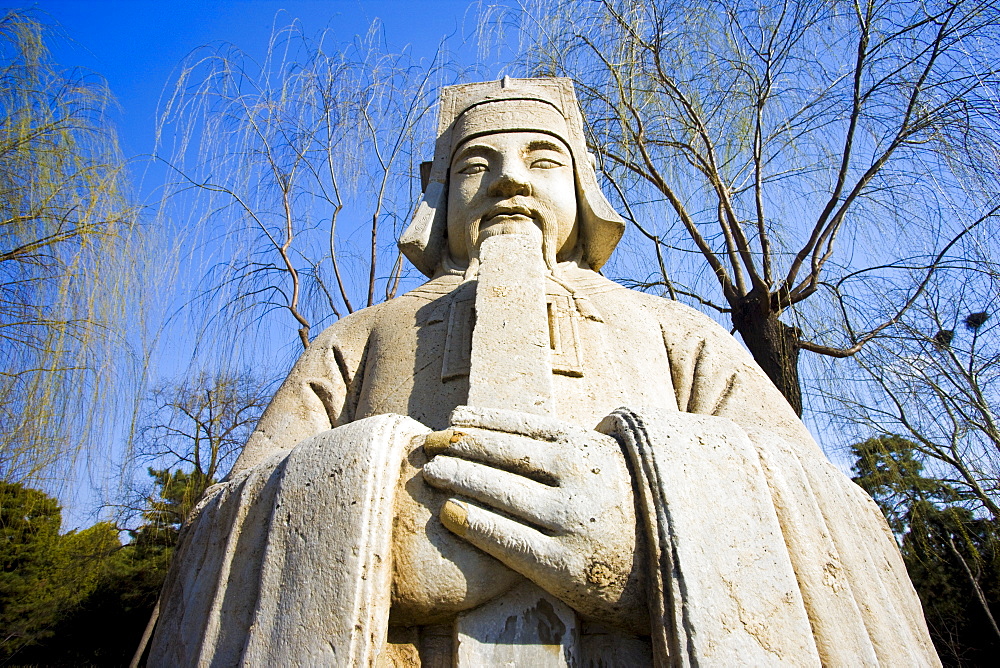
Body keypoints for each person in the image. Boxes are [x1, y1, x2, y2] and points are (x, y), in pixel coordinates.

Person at [148, 78, 939, 666]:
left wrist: (656, 530)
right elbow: (216, 531)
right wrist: (366, 535)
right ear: (437, 192)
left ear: (584, 184)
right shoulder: (357, 338)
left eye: (542, 159)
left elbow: (839, 522)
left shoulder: (673, 332)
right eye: (474, 165)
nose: (509, 181)